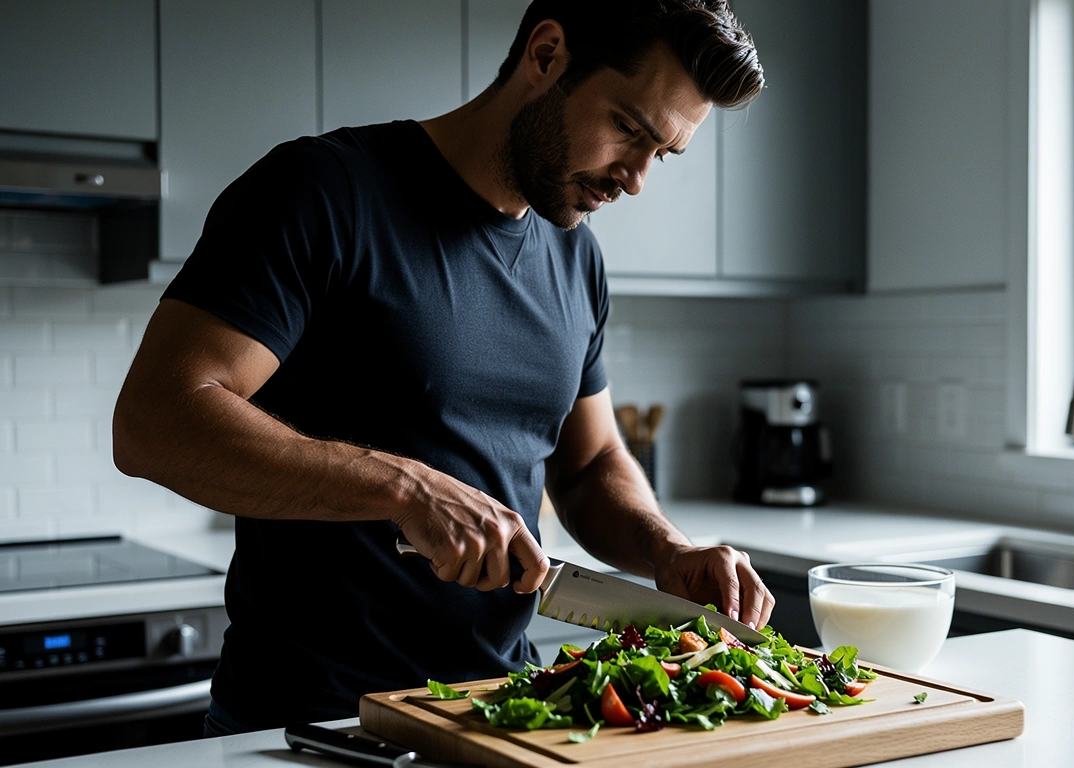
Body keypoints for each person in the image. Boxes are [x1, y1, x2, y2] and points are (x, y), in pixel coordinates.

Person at [113, 0, 771, 733]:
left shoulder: (573, 254)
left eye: (663, 153)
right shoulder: (323, 192)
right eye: (628, 129)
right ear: (547, 55)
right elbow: (155, 420)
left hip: (504, 717)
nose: (638, 178)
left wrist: (668, 551)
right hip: (310, 730)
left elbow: (587, 468)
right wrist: (404, 487)